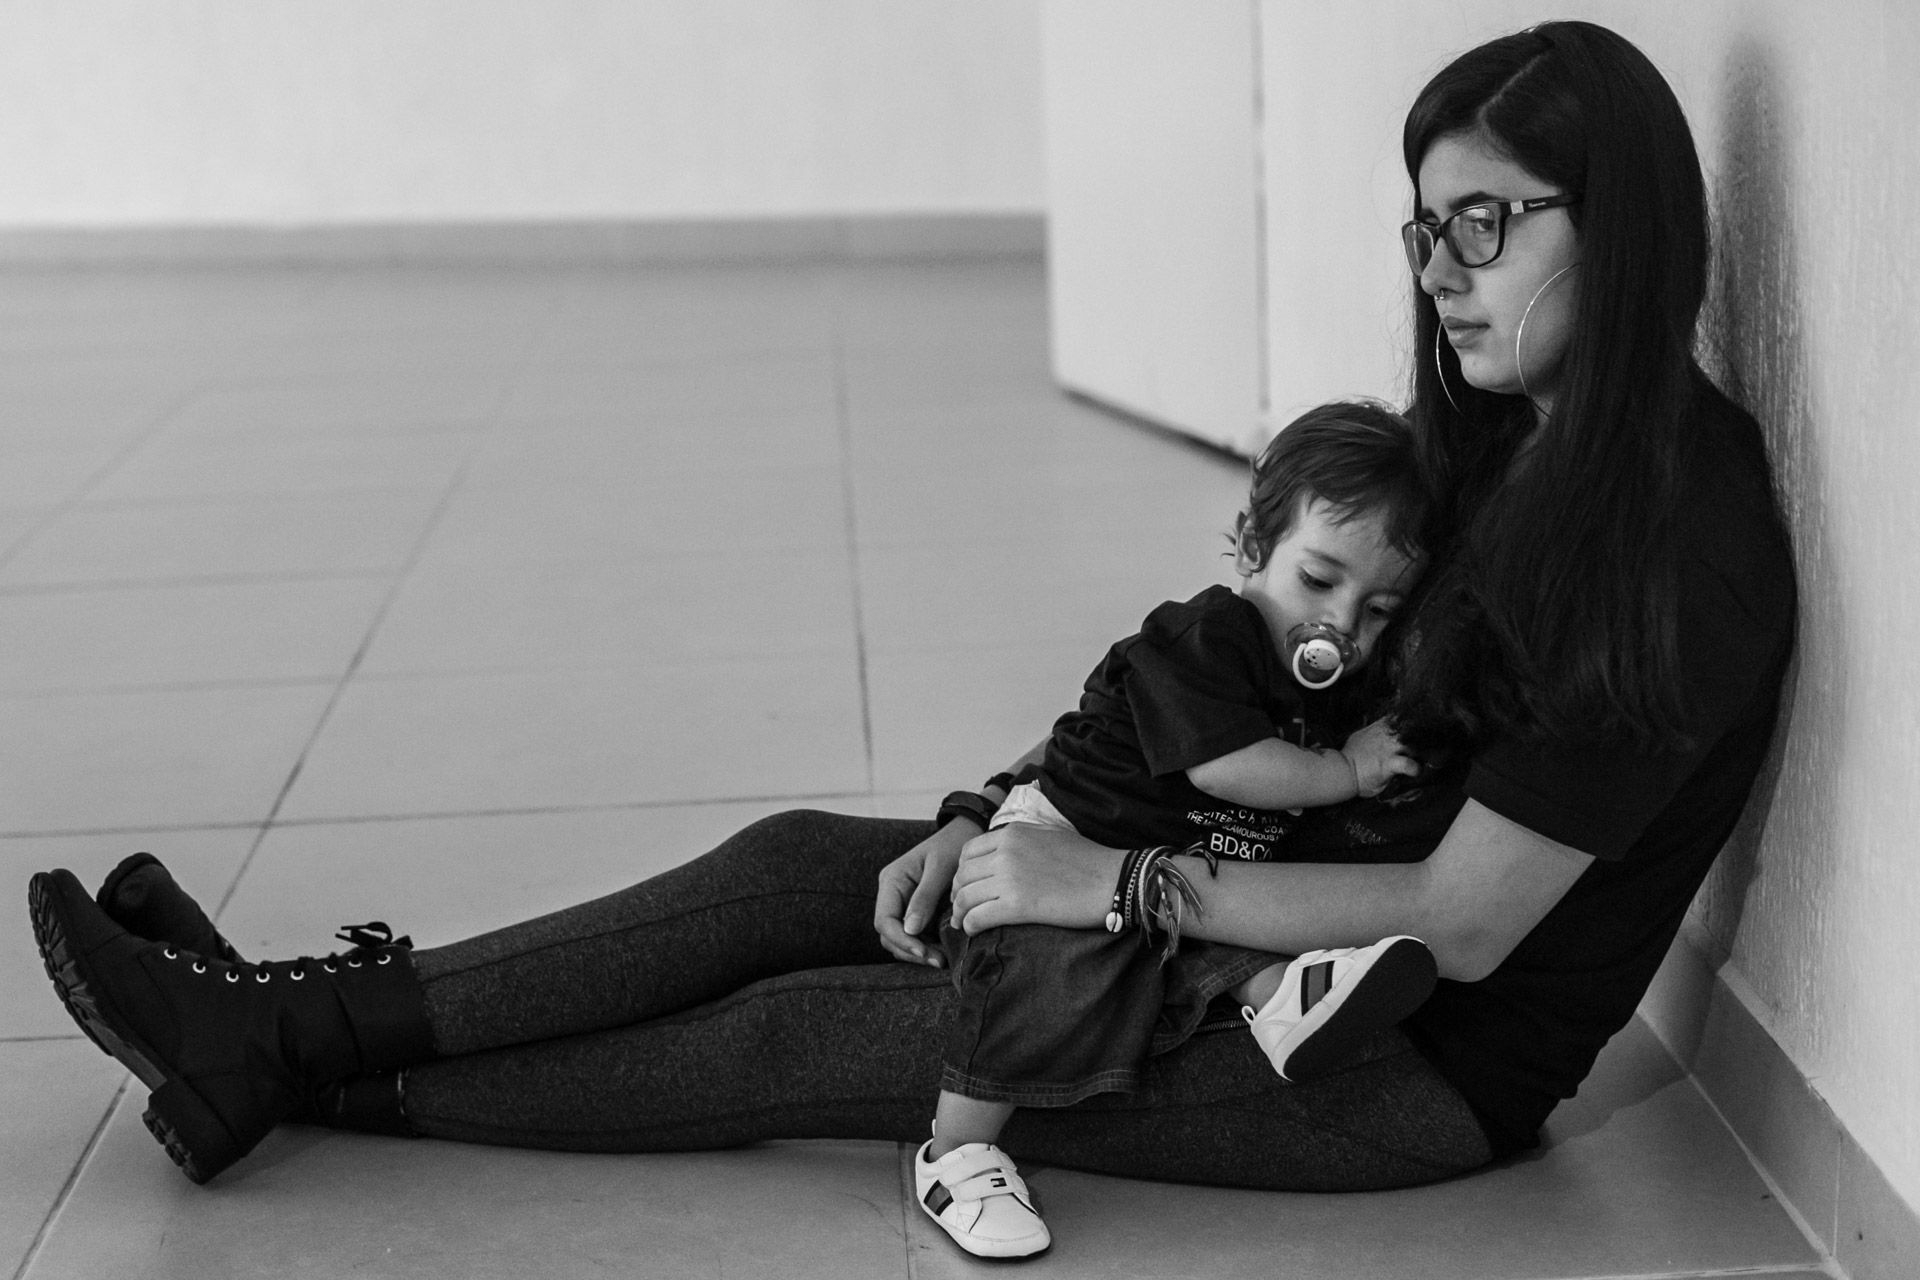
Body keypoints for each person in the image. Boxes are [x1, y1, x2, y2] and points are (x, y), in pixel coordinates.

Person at [25, 16, 1795, 1267]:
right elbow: (1260, 684)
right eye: (1430, 227)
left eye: (1488, 225)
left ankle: (306, 1065)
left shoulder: (1679, 548)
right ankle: (282, 1018)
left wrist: (1099, 888)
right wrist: (1000, 812)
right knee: (807, 862)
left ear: (1618, 225)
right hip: (1246, 886)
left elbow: (1462, 922)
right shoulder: (1510, 441)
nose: (1442, 272)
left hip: (1379, 1064)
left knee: (820, 1032)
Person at [920, 399, 1437, 1256]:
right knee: (1049, 976)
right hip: (1060, 844)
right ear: (1251, 547)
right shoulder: (1208, 636)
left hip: (1165, 864)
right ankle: (957, 1149)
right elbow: (1225, 767)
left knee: (1205, 932)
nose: (1341, 627)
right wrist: (1347, 770)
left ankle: (1285, 1001)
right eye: (1318, 581)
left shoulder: (1334, 681)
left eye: (1379, 609)